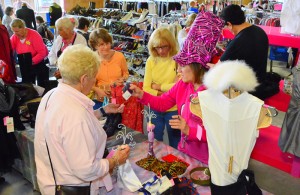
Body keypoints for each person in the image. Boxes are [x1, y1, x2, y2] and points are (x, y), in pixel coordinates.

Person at [129, 11, 224, 164]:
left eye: (182, 65)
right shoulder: (183, 85)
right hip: (184, 152)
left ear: (196, 66)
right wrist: (142, 95)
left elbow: (218, 135)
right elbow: (162, 103)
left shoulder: (213, 93)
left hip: (206, 160)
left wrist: (188, 130)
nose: (178, 70)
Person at [34, 45, 130, 195]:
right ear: (84, 79)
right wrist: (115, 160)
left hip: (50, 180)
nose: (94, 82)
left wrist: (103, 111)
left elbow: (66, 126)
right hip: (71, 188)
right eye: (94, 78)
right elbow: (86, 169)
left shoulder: (52, 95)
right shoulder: (74, 115)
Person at [219, 4, 274, 100]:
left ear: (229, 24)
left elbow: (219, 67)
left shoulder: (238, 41)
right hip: (260, 86)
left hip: (245, 93)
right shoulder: (260, 31)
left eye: (226, 26)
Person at [143, 27, 180, 149]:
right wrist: (167, 92)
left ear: (170, 44)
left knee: (176, 143)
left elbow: (179, 87)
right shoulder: (151, 61)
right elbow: (146, 88)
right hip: (155, 107)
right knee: (154, 141)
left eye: (164, 46)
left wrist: (158, 87)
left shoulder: (177, 60)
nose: (160, 51)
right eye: (157, 47)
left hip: (173, 108)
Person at [89, 28, 129, 109]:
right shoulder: (91, 59)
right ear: (95, 46)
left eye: (108, 43)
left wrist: (123, 79)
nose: (106, 47)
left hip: (118, 97)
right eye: (101, 45)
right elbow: (88, 82)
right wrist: (97, 90)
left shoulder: (119, 56)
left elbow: (126, 73)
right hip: (100, 99)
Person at [10, 18, 49, 87]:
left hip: (38, 62)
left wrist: (31, 62)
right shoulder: (14, 37)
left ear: (23, 28)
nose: (15, 34)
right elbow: (10, 50)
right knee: (28, 85)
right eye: (13, 31)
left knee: (42, 85)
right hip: (25, 63)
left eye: (17, 31)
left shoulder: (34, 35)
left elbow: (42, 52)